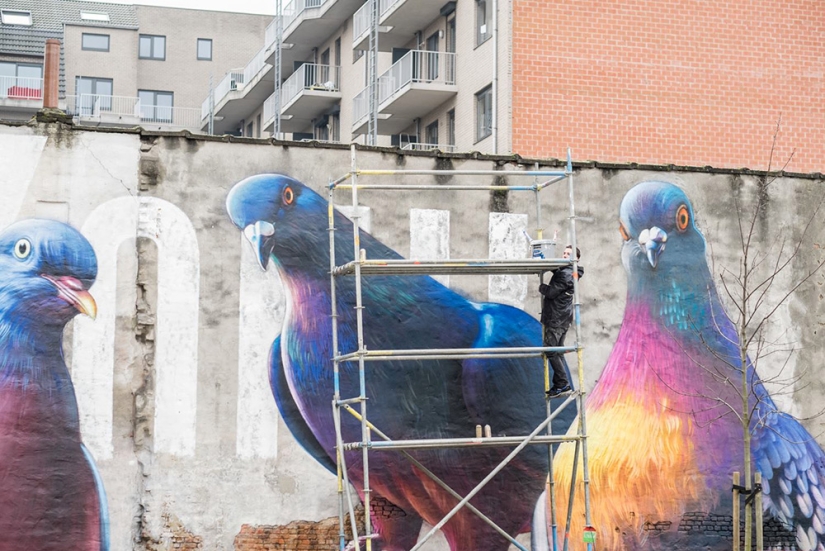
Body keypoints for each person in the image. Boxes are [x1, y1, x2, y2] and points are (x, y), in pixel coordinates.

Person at [539, 245, 584, 397]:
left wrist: (542, 287)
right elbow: (561, 275)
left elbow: (551, 292)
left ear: (576, 258)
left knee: (550, 350)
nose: (564, 256)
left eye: (568, 254)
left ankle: (562, 383)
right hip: (563, 318)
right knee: (557, 350)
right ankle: (561, 384)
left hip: (556, 318)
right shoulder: (571, 272)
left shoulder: (565, 274)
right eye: (564, 253)